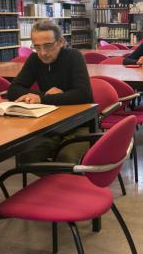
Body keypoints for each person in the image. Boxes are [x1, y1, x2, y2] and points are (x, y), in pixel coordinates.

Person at [8, 19, 93, 163]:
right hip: (50, 124)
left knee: (66, 158)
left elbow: (84, 94)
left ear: (60, 42)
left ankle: (62, 181)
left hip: (79, 123)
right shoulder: (34, 59)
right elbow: (13, 90)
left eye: (48, 46)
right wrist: (44, 96)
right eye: (37, 47)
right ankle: (59, 181)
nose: (42, 53)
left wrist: (42, 99)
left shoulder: (74, 57)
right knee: (25, 157)